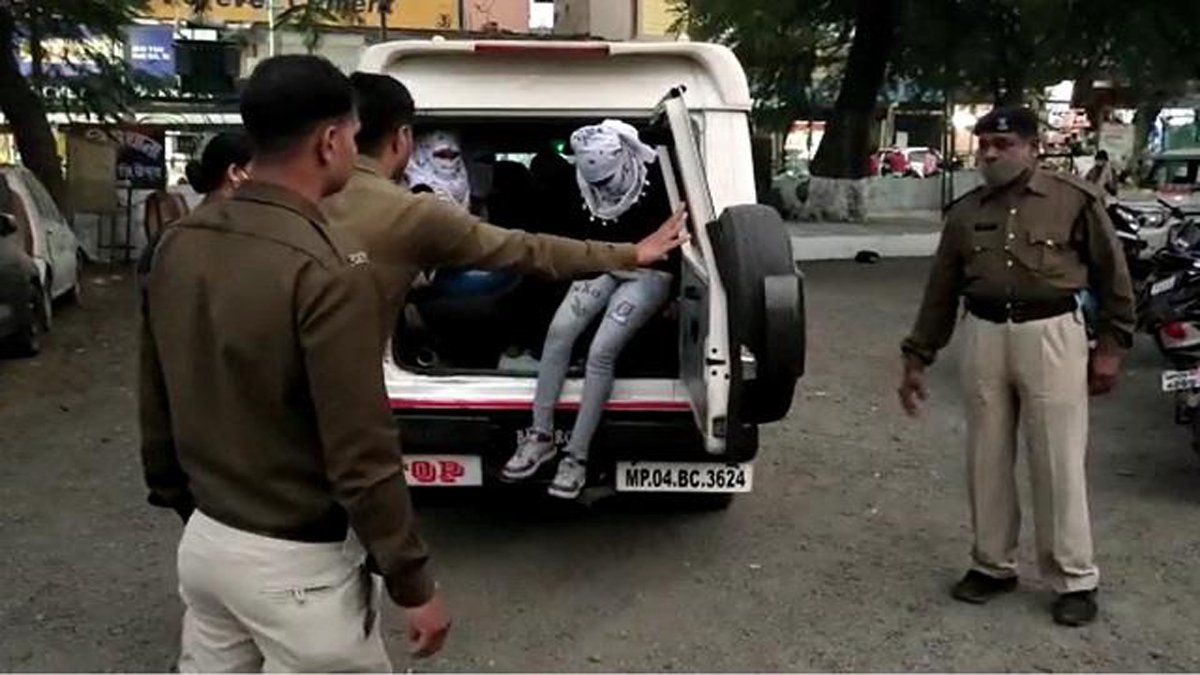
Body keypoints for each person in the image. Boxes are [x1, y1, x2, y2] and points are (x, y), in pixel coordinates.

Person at [138, 55, 449, 672]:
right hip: (295, 567)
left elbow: (155, 393)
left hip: (206, 543)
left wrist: (179, 499)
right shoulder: (328, 266)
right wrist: (413, 582)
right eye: (354, 137)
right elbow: (361, 449)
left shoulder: (181, 241)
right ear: (330, 141)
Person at [897, 106, 1136, 627]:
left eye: (1003, 145)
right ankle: (992, 563)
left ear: (1033, 147)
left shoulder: (1073, 199)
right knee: (986, 454)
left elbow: (1111, 274)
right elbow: (941, 290)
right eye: (984, 145)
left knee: (1057, 457)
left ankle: (1073, 577)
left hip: (1051, 332)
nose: (989, 154)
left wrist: (1111, 347)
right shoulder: (966, 212)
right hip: (984, 332)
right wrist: (918, 355)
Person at [321, 73, 687, 350]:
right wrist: (633, 253)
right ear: (402, 139)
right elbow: (528, 251)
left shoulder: (310, 197)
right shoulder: (417, 214)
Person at [501, 120, 676, 499]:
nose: (601, 187)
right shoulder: (576, 182)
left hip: (651, 271)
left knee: (601, 351)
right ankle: (540, 436)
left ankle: (576, 456)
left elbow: (679, 233)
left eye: (606, 179)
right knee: (558, 333)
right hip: (605, 261)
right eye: (592, 180)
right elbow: (570, 234)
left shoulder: (660, 177)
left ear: (624, 158)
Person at [405, 130, 471, 209]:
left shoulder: (462, 178)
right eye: (442, 155)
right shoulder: (410, 189)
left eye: (453, 156)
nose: (449, 162)